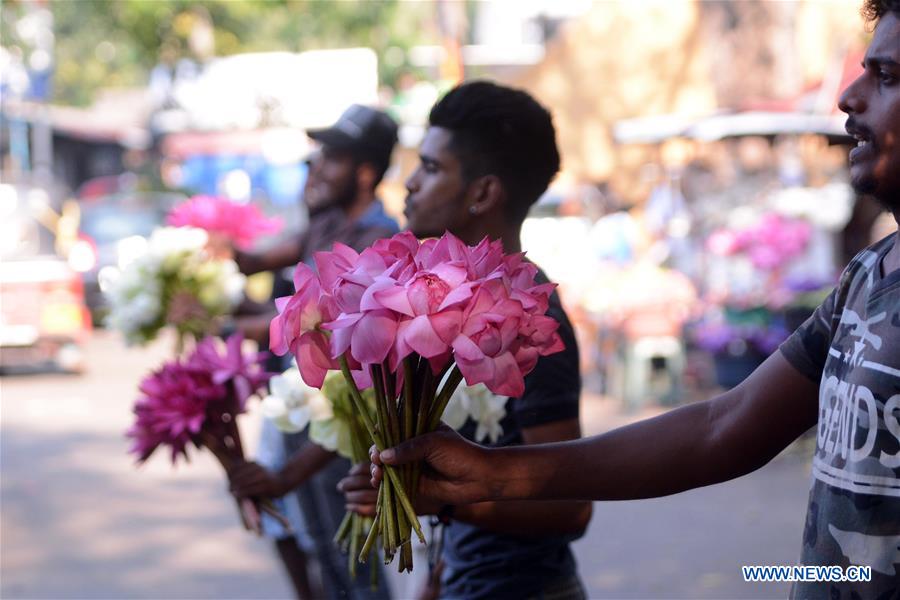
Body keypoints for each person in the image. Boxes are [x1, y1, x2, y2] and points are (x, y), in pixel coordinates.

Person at [368, 4, 900, 597]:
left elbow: (573, 513)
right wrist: (486, 476)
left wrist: (476, 491)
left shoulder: (525, 313)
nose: (848, 96)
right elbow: (720, 426)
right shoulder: (869, 277)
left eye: (886, 76)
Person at [338, 81, 593, 600]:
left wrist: (433, 499)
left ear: (483, 192)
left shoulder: (526, 319)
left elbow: (571, 505)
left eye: (430, 168)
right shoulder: (434, 303)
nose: (408, 184)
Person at [229, 104, 400, 600]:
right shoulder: (325, 222)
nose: (318, 168)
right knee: (323, 547)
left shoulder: (380, 238)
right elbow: (257, 263)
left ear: (364, 172)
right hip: (305, 405)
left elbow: (306, 323)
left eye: (332, 159)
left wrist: (230, 325)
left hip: (340, 418)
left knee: (351, 559)